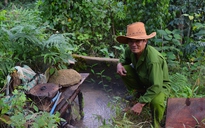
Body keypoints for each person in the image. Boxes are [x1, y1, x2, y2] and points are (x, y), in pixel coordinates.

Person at [116, 22, 170, 128]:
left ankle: (156, 124)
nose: (133, 44)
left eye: (137, 41)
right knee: (125, 70)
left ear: (145, 41)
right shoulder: (130, 50)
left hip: (159, 86)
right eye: (131, 41)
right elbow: (124, 59)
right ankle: (140, 94)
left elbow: (156, 85)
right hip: (144, 81)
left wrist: (140, 104)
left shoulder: (153, 60)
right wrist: (119, 64)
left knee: (156, 102)